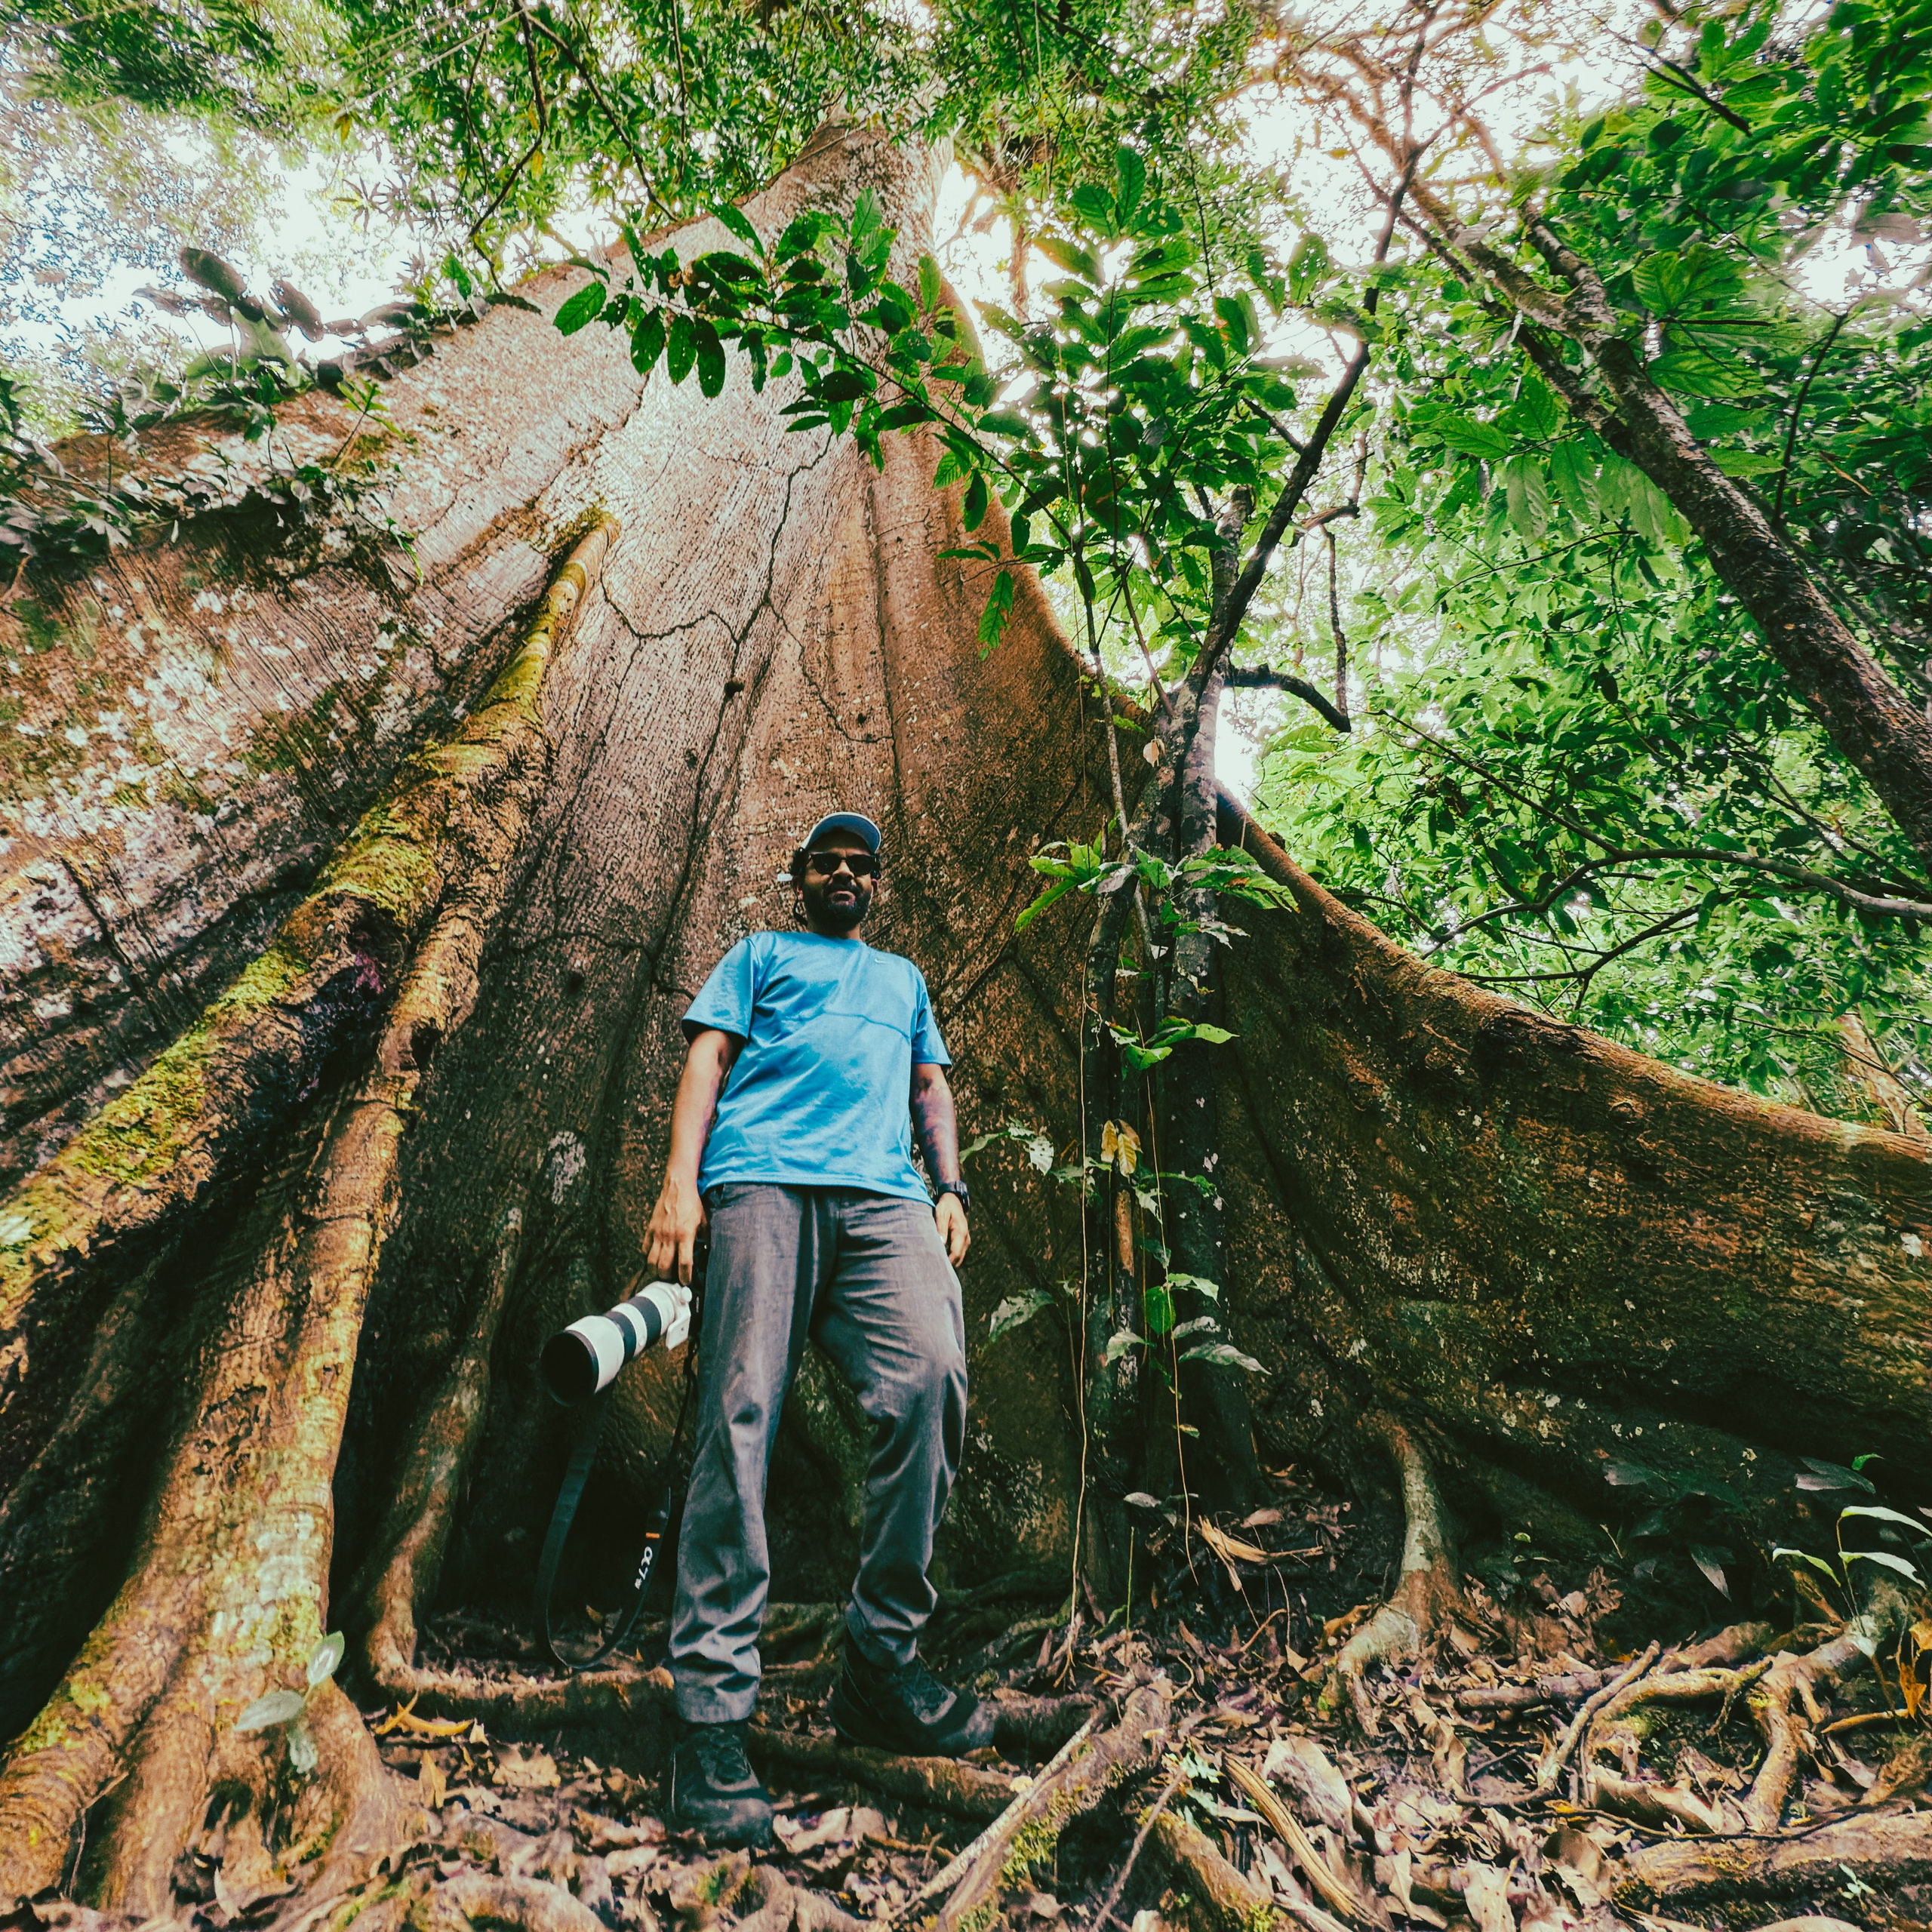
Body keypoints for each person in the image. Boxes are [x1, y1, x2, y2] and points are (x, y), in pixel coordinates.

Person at [645, 811, 989, 1847]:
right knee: (739, 1415)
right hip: (759, 1184)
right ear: (799, 880)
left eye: (860, 865)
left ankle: (881, 1665)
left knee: (932, 1378)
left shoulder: (904, 983)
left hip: (885, 1200)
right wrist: (679, 1187)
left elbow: (931, 1084)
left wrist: (950, 1184)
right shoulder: (758, 957)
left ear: (876, 885)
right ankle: (708, 1716)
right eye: (826, 863)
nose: (844, 874)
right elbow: (707, 1060)